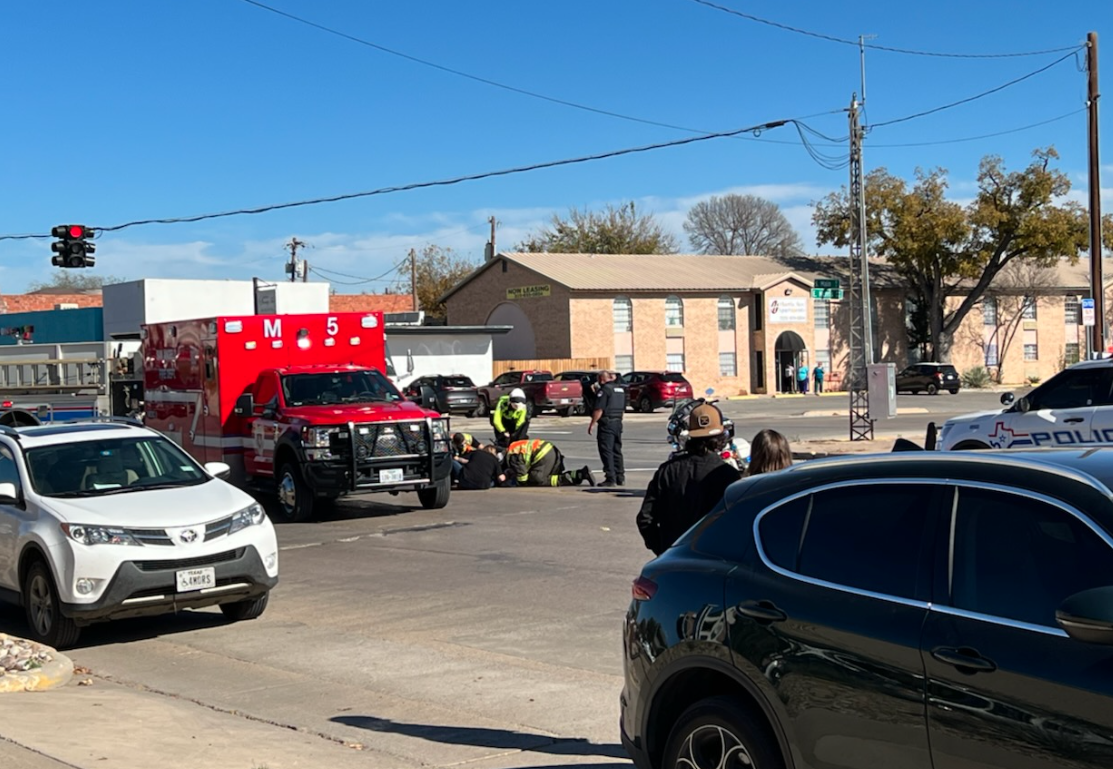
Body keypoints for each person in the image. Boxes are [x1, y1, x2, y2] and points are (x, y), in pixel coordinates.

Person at [636, 402, 740, 556]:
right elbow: (736, 524)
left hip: (673, 560)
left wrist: (662, 550)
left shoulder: (667, 471)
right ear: (720, 437)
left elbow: (646, 519)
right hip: (713, 560)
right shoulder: (728, 475)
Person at [588, 370, 626, 487]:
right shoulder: (620, 389)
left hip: (607, 423)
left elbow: (599, 409)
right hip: (618, 422)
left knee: (606, 451)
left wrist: (592, 423)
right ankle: (620, 477)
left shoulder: (604, 390)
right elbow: (622, 409)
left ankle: (610, 478)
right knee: (616, 450)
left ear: (601, 379)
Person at [504, 438, 595, 487]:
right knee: (552, 476)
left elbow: (522, 475)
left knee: (536, 478)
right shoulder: (513, 447)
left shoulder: (512, 456)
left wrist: (518, 482)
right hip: (551, 451)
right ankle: (581, 474)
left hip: (543, 455)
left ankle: (564, 479)